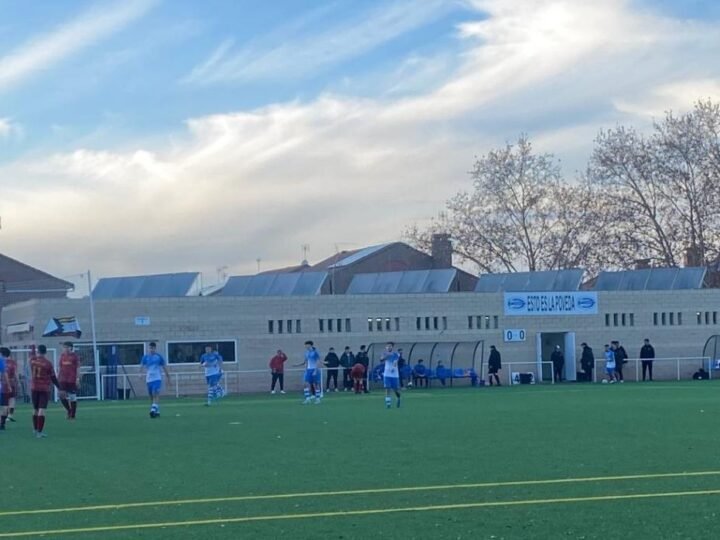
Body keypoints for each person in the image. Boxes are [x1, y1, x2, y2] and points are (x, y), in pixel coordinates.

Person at [30, 345, 58, 438]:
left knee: (35, 409)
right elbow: (53, 377)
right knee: (42, 409)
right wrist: (59, 387)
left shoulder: (32, 361)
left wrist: (33, 348)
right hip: (44, 388)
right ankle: (39, 432)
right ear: (45, 352)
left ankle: (34, 429)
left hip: (34, 387)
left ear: (38, 351)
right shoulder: (48, 363)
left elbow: (32, 356)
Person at [141, 342, 171, 418]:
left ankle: (152, 410)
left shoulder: (158, 357)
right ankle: (156, 411)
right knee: (151, 396)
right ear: (148, 348)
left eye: (153, 348)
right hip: (149, 379)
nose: (151, 349)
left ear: (155, 348)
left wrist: (168, 376)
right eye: (150, 348)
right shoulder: (145, 357)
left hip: (157, 378)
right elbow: (142, 366)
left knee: (155, 393)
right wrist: (140, 374)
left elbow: (164, 367)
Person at [57, 342, 81, 420]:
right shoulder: (62, 356)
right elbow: (60, 367)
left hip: (71, 379)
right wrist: (58, 377)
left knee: (72, 397)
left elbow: (78, 368)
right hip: (62, 379)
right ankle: (69, 410)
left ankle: (73, 415)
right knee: (61, 395)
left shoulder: (75, 357)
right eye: (63, 347)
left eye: (66, 347)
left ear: (70, 347)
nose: (64, 349)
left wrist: (77, 379)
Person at [381, 342, 401, 408]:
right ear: (386, 347)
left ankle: (398, 398)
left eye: (390, 346)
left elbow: (395, 362)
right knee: (387, 388)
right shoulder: (384, 354)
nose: (389, 347)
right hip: (387, 374)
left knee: (395, 389)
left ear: (392, 347)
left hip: (394, 375)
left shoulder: (396, 354)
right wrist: (387, 356)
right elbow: (381, 360)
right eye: (388, 346)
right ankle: (388, 404)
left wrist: (393, 368)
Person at [1, 348, 18, 422]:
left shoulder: (1, 361)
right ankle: (10, 415)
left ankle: (2, 421)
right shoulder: (13, 363)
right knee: (12, 399)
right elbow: (15, 374)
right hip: (12, 383)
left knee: (4, 403)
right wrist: (18, 382)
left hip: (2, 384)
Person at [0, 351, 8, 431]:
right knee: (4, 406)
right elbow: (4, 373)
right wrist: (8, 385)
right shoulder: (1, 360)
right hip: (1, 386)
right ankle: (2, 423)